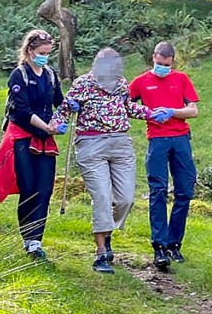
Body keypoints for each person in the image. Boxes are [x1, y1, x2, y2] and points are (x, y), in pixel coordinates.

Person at [53, 48, 166, 274]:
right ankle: (101, 252)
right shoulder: (83, 84)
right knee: (102, 196)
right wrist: (56, 124)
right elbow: (64, 109)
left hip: (120, 144)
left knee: (125, 198)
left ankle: (107, 231)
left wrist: (151, 113)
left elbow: (126, 107)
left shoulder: (121, 83)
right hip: (91, 144)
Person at [0, 29, 65, 261]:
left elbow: (60, 102)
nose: (45, 57)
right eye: (41, 53)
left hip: (45, 139)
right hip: (22, 137)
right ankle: (27, 238)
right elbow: (22, 110)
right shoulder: (19, 76)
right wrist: (45, 126)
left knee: (45, 189)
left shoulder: (50, 75)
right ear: (29, 51)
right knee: (28, 188)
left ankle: (36, 241)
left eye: (48, 53)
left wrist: (64, 115)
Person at [129, 41, 196, 270]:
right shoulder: (140, 82)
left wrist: (172, 112)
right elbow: (125, 106)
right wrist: (147, 114)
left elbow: (193, 110)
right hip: (156, 140)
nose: (162, 68)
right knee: (157, 190)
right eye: (158, 64)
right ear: (153, 58)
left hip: (180, 138)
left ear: (172, 61)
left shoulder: (181, 79)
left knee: (185, 190)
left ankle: (174, 243)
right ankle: (159, 245)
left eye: (166, 65)